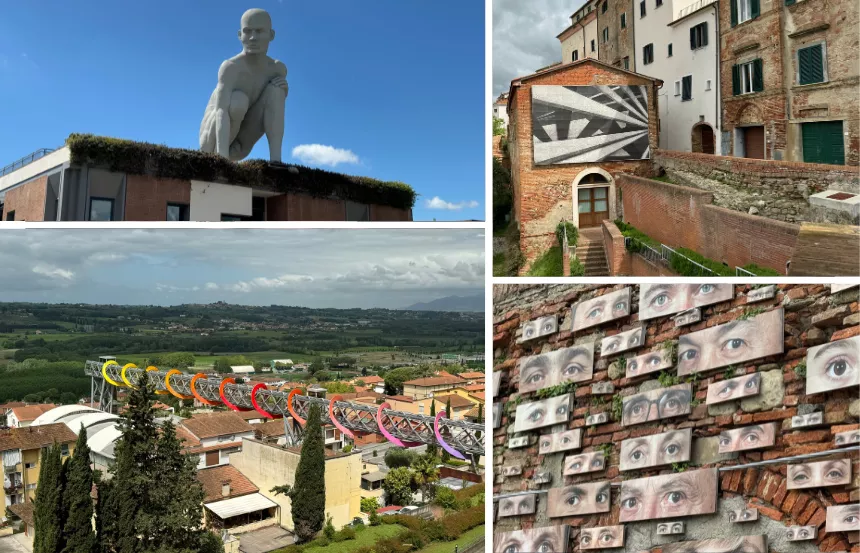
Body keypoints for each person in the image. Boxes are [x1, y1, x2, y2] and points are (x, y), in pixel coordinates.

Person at [200, 8, 288, 162]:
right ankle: (221, 158)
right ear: (240, 35)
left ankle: (276, 162)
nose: (253, 37)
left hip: (240, 147)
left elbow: (273, 107)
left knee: (277, 90)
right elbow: (221, 111)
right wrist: (221, 160)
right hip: (212, 144)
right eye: (248, 31)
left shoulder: (277, 69)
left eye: (260, 31)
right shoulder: (230, 67)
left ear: (271, 35)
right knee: (238, 100)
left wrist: (283, 93)